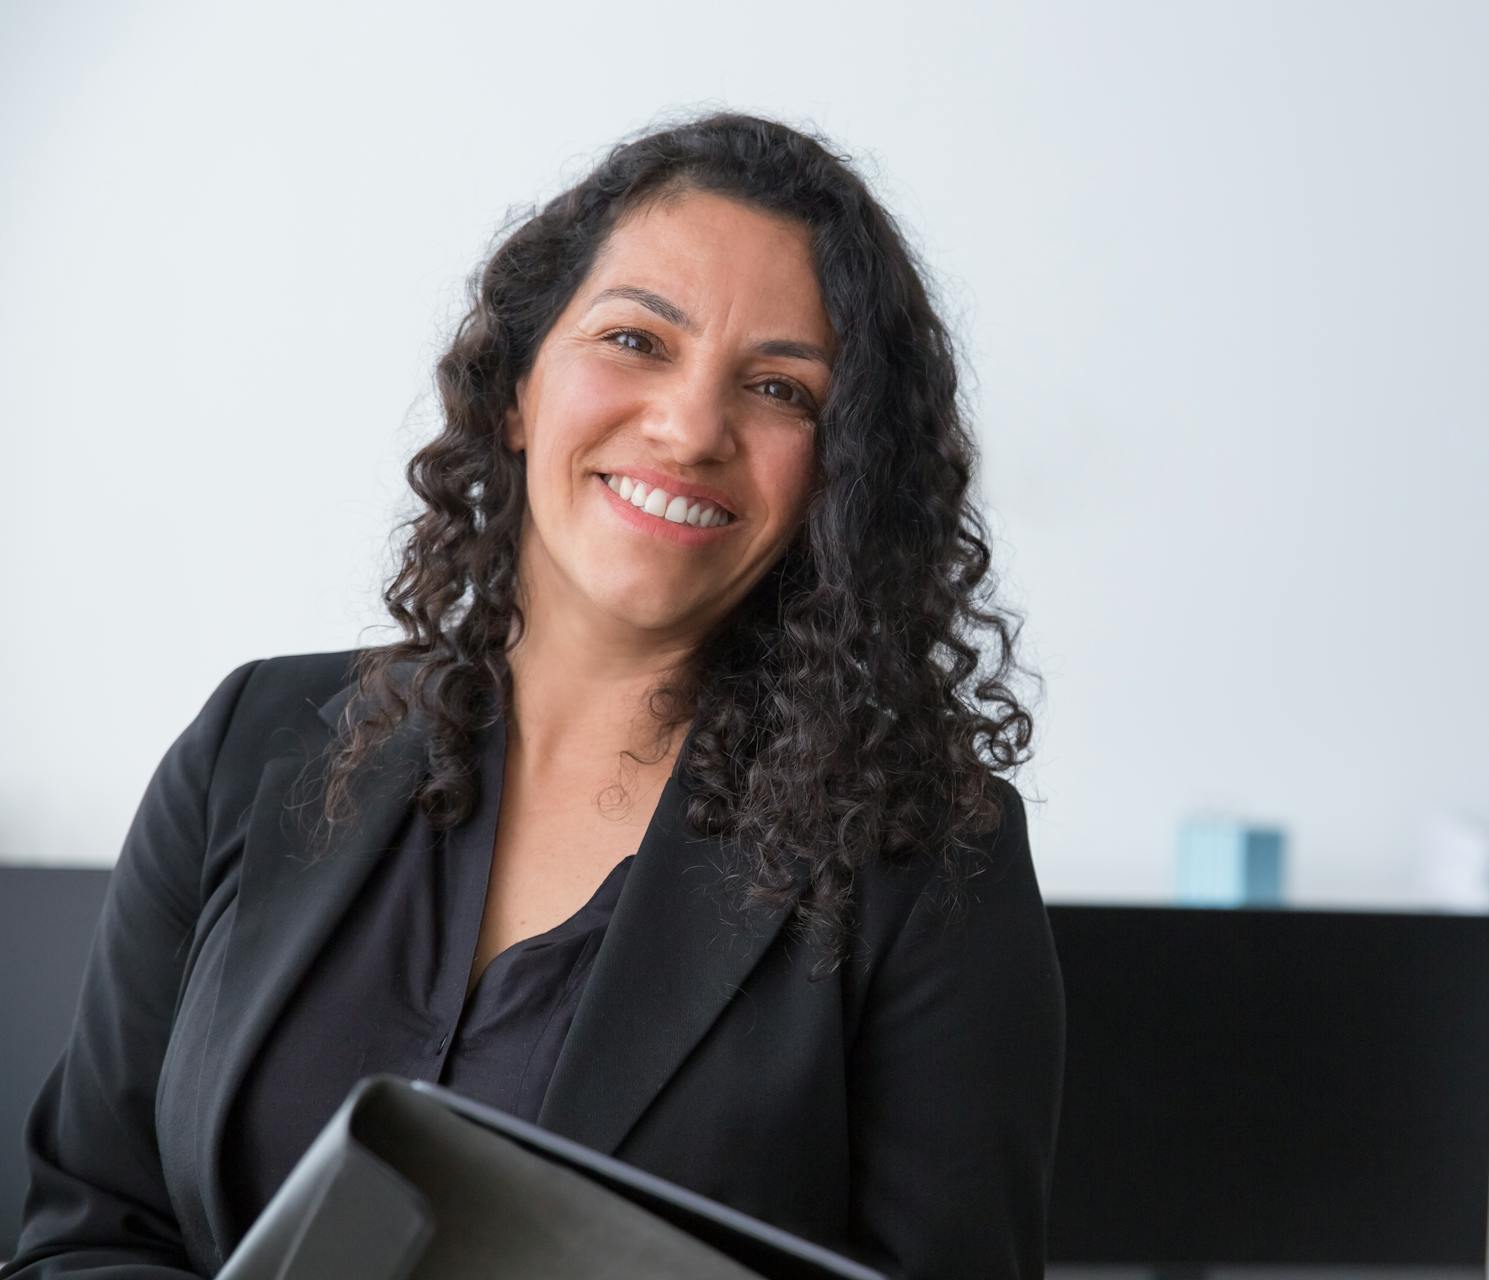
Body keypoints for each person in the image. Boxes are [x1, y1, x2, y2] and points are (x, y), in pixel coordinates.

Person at [4, 110, 1063, 1280]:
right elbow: (88, 1228)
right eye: (636, 340)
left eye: (779, 388)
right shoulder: (251, 742)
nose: (690, 428)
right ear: (516, 390)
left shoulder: (926, 859)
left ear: (838, 476)